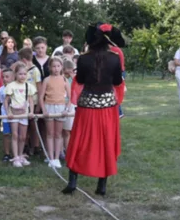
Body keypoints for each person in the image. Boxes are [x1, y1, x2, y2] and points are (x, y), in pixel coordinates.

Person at [62, 23, 125, 197]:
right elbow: (118, 82)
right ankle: (102, 185)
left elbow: (80, 80)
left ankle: (72, 182)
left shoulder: (83, 59)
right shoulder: (114, 58)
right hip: (107, 106)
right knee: (106, 141)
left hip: (87, 105)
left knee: (80, 140)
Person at [5, 64, 37, 167]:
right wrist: (8, 112)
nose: (22, 76)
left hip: (24, 114)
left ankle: (20, 155)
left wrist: (31, 111)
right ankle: (15, 157)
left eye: (24, 74)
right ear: (15, 74)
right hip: (14, 114)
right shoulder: (11, 86)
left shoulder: (29, 86)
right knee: (15, 135)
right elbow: (6, 101)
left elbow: (31, 100)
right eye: (20, 74)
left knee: (23, 137)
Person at [39, 56, 68, 168]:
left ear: (61, 67)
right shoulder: (46, 80)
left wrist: (66, 109)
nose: (56, 68)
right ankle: (51, 158)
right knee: (50, 134)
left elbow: (70, 97)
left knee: (58, 134)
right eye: (54, 66)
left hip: (61, 107)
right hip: (49, 106)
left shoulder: (64, 80)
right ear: (50, 67)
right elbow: (41, 97)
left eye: (58, 66)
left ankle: (57, 157)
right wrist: (44, 109)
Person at [0, 68, 15, 163]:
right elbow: (2, 102)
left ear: (12, 77)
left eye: (7, 76)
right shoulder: (1, 89)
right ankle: (7, 153)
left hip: (15, 114)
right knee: (6, 134)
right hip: (5, 114)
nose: (4, 79)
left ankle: (15, 153)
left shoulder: (16, 88)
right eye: (3, 77)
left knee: (15, 134)